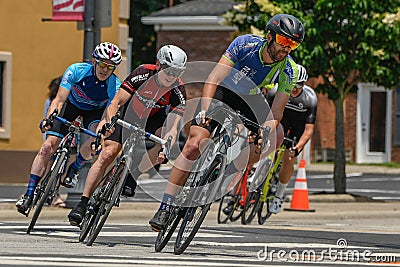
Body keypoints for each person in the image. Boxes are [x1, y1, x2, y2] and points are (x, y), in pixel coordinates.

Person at [149, 13, 305, 231]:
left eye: (293, 45)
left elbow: (276, 112)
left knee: (270, 141)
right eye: (284, 42)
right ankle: (165, 206)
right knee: (194, 144)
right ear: (270, 36)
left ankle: (228, 172)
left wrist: (265, 132)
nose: (287, 49)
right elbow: (214, 78)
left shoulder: (289, 69)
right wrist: (204, 108)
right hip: (224, 91)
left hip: (251, 100)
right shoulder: (245, 44)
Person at [67, 45, 188, 226]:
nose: (171, 76)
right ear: (158, 64)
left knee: (163, 140)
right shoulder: (143, 73)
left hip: (153, 119)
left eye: (176, 72)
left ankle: (133, 175)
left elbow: (172, 127)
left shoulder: (178, 89)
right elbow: (116, 102)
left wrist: (167, 145)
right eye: (168, 70)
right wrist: (108, 121)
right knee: (108, 153)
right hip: (128, 113)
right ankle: (82, 203)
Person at [16, 42, 122, 215]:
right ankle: (29, 194)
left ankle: (75, 167)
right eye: (102, 63)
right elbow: (58, 99)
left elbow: (107, 116)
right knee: (47, 147)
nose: (105, 69)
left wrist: (100, 134)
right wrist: (48, 118)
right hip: (71, 106)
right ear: (94, 61)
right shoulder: (76, 70)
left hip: (94, 112)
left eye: (111, 66)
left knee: (95, 135)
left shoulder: (114, 85)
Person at [268, 64, 318, 213]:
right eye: (292, 85)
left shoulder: (310, 98)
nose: (295, 89)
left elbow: (309, 131)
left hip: (298, 127)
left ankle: (279, 195)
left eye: (299, 85)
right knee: (268, 141)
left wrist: (297, 148)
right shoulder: (276, 91)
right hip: (280, 121)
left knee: (289, 159)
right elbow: (266, 116)